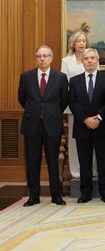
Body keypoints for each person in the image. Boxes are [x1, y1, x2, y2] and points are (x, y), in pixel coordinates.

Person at [18, 45, 69, 206]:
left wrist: (51, 112)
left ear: (51, 58)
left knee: (53, 161)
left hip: (52, 124)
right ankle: (34, 196)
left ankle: (56, 195)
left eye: (45, 55)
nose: (42, 58)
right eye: (39, 56)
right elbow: (21, 98)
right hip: (32, 124)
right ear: (36, 58)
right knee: (32, 162)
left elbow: (64, 100)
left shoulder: (60, 77)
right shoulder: (26, 76)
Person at [68, 48, 105, 203]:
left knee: (103, 162)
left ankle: (104, 192)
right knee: (84, 162)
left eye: (93, 58)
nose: (90, 61)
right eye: (86, 58)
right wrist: (86, 119)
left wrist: (98, 118)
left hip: (102, 126)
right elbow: (73, 103)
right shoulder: (74, 80)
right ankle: (85, 193)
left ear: (98, 60)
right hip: (82, 127)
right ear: (82, 61)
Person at [60, 31, 89, 180]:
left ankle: (92, 170)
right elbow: (64, 86)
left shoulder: (90, 58)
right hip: (73, 107)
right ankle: (76, 171)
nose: (82, 43)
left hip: (90, 107)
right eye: (79, 41)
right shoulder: (66, 61)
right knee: (73, 141)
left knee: (91, 140)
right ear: (73, 43)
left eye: (84, 40)